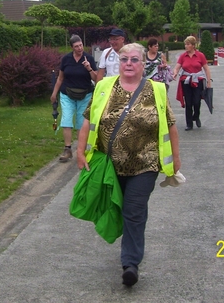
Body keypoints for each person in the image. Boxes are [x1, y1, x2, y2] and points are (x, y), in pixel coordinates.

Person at [75, 43, 181, 286]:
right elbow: (88, 122)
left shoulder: (156, 90)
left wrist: (176, 158)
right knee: (117, 207)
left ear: (143, 64)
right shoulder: (103, 87)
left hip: (145, 164)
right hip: (109, 165)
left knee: (134, 210)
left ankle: (130, 263)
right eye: (124, 59)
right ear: (118, 63)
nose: (129, 64)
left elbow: (171, 125)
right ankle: (126, 245)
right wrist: (80, 152)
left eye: (134, 59)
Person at [51, 35, 98, 162]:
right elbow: (60, 78)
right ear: (72, 47)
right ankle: (67, 149)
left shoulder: (89, 58)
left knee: (81, 123)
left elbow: (96, 79)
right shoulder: (66, 59)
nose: (79, 48)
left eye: (81, 45)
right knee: (66, 120)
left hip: (85, 94)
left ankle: (80, 150)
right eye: (76, 46)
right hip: (67, 94)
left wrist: (89, 68)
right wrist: (54, 94)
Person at [172, 35, 212, 131]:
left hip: (197, 81)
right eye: (185, 44)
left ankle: (196, 116)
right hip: (186, 81)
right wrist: (175, 73)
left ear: (193, 45)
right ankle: (189, 124)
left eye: (188, 44)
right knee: (188, 103)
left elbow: (206, 68)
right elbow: (177, 67)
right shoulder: (183, 56)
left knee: (197, 102)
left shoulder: (200, 55)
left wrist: (209, 82)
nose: (186, 46)